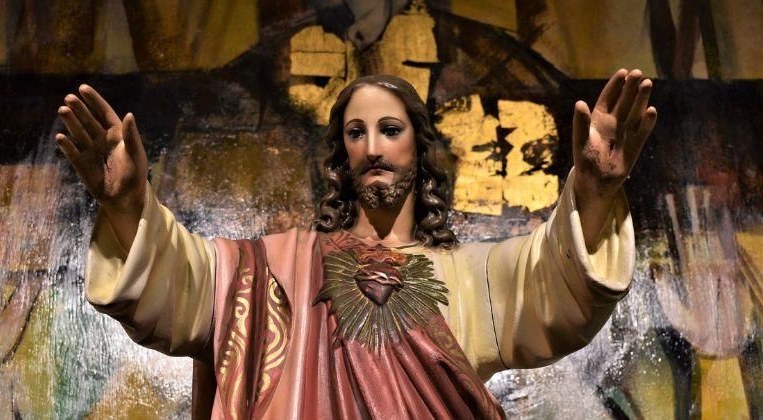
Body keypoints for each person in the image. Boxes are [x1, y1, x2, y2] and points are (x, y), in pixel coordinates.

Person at [55, 70, 656, 419]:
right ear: (342, 156)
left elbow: (557, 284)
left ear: (418, 148)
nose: (372, 147)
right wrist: (126, 204)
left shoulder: (474, 275)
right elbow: (186, 285)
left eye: (390, 130)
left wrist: (596, 190)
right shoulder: (277, 269)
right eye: (355, 133)